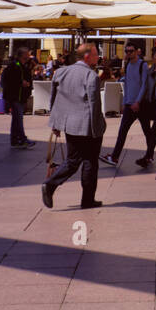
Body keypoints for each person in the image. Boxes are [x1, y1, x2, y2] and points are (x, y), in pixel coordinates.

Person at [41, 43, 106, 210]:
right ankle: (53, 185)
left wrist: (55, 123)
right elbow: (95, 105)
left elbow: (54, 99)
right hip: (87, 125)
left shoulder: (61, 72)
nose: (97, 57)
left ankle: (84, 198)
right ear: (86, 56)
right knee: (89, 162)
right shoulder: (91, 76)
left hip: (69, 125)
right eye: (95, 54)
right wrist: (99, 128)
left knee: (73, 160)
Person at [102, 43, 151, 168]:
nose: (129, 53)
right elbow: (127, 85)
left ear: (137, 51)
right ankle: (114, 157)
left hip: (141, 105)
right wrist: (124, 102)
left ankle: (149, 155)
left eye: (131, 51)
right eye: (127, 51)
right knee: (122, 131)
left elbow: (144, 85)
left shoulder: (142, 65)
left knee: (147, 132)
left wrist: (138, 101)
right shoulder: (128, 65)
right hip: (130, 105)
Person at [135, 47, 156, 169]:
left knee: (155, 130)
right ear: (153, 57)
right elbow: (145, 86)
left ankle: (148, 156)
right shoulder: (148, 70)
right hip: (150, 103)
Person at [1, 48, 36, 150]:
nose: (29, 55)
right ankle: (22, 139)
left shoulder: (22, 66)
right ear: (22, 55)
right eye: (27, 54)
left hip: (20, 97)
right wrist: (22, 83)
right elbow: (9, 81)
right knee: (18, 119)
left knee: (16, 119)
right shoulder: (14, 66)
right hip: (15, 97)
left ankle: (16, 140)